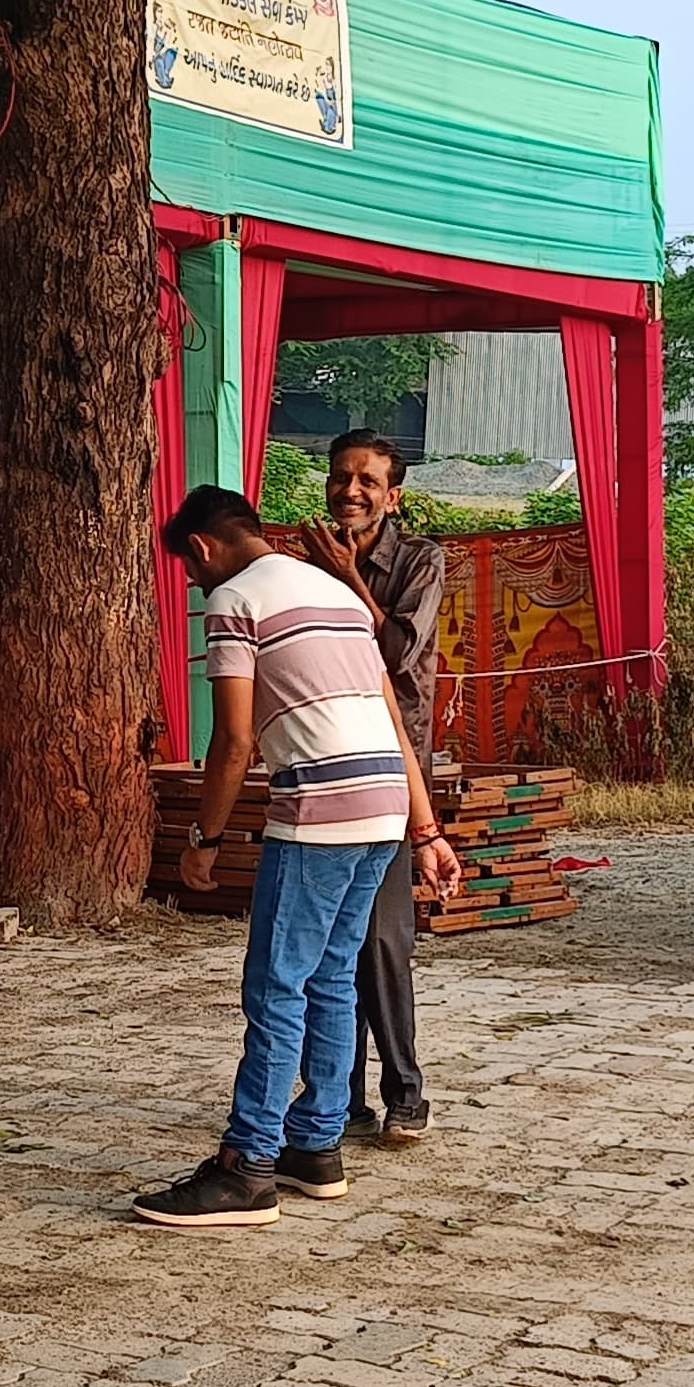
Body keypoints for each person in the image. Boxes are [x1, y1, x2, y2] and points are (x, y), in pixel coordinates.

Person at [141, 486, 461, 1229]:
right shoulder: (339, 594)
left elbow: (233, 742)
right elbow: (392, 720)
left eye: (191, 572)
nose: (197, 585)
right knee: (332, 978)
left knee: (277, 986)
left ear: (202, 549)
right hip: (383, 804)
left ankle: (248, 1166)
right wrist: (425, 830)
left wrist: (204, 840)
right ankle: (315, 1145)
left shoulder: (235, 601)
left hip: (320, 809)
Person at [299, 430, 448, 1148]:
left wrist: (347, 579)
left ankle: (406, 1094)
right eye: (340, 477)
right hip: (326, 766)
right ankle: (338, 1098)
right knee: (329, 945)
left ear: (394, 497)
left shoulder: (420, 560)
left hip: (393, 772)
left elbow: (393, 653)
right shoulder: (310, 558)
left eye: (367, 481)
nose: (350, 491)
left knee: (383, 940)